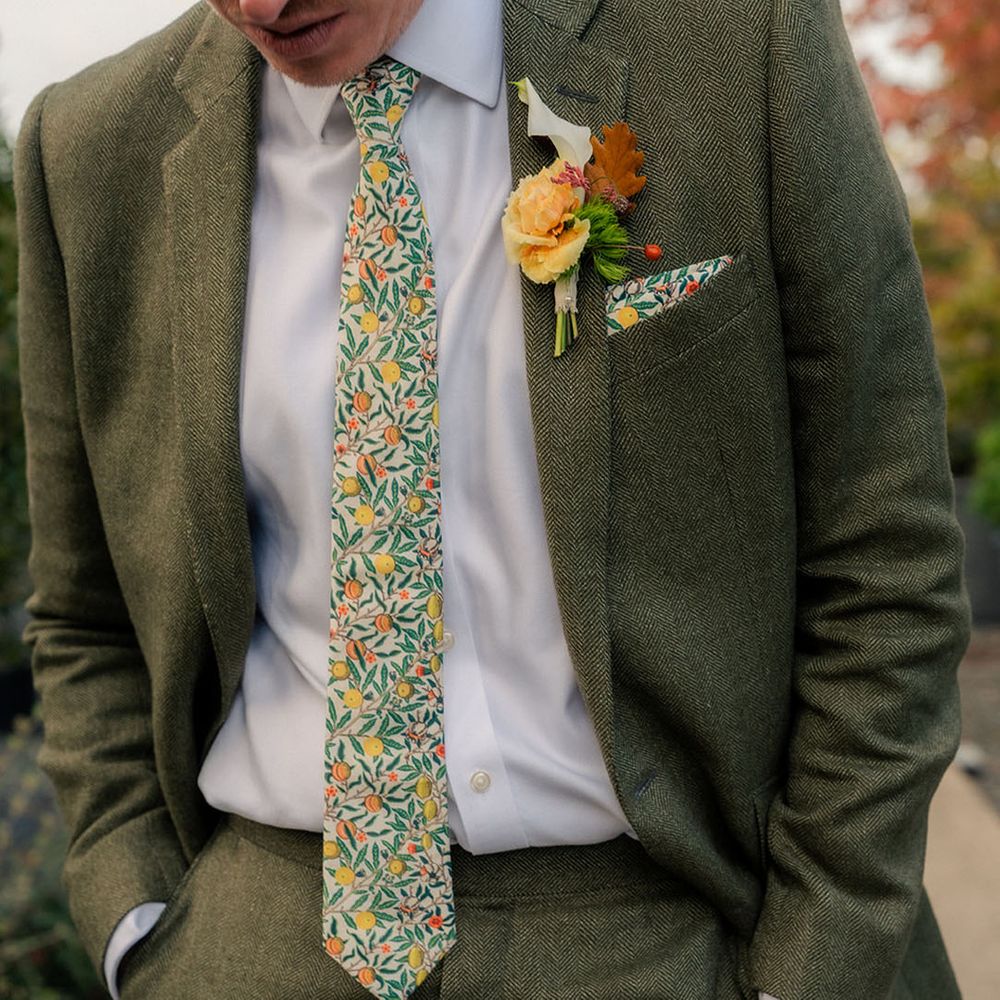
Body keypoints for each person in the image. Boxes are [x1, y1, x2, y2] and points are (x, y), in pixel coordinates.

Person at [14, 0, 971, 997]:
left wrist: (816, 961)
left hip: (669, 927)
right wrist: (139, 927)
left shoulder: (736, 39)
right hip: (256, 934)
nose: (265, 6)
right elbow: (85, 612)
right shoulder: (91, 147)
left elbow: (884, 545)